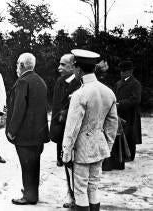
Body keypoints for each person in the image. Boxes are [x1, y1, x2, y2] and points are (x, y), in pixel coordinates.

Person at [62, 49, 118, 211]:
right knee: (93, 186)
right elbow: (112, 124)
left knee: (80, 189)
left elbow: (72, 128)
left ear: (78, 69)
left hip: (82, 147)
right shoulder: (108, 92)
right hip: (99, 145)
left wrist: (66, 152)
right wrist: (107, 145)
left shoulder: (80, 94)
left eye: (74, 68)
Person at [6, 53, 49, 205]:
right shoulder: (40, 81)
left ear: (22, 65)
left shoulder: (23, 82)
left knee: (26, 166)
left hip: (24, 135)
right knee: (34, 165)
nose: (16, 67)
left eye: (17, 64)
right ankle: (32, 192)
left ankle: (29, 196)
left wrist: (11, 131)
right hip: (38, 135)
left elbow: (19, 110)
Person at [49, 53, 80, 208]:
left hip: (75, 134)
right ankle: (71, 196)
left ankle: (78, 199)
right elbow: (55, 108)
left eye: (63, 64)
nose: (59, 68)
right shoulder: (60, 82)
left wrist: (65, 114)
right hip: (61, 133)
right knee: (67, 168)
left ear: (73, 66)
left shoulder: (80, 83)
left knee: (77, 169)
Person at [115, 60, 142, 161]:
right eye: (121, 71)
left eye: (125, 71)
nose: (122, 73)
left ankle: (130, 156)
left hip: (131, 114)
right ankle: (122, 154)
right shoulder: (118, 83)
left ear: (131, 71)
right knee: (121, 134)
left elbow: (136, 99)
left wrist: (121, 103)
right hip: (120, 112)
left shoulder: (135, 84)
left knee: (131, 134)